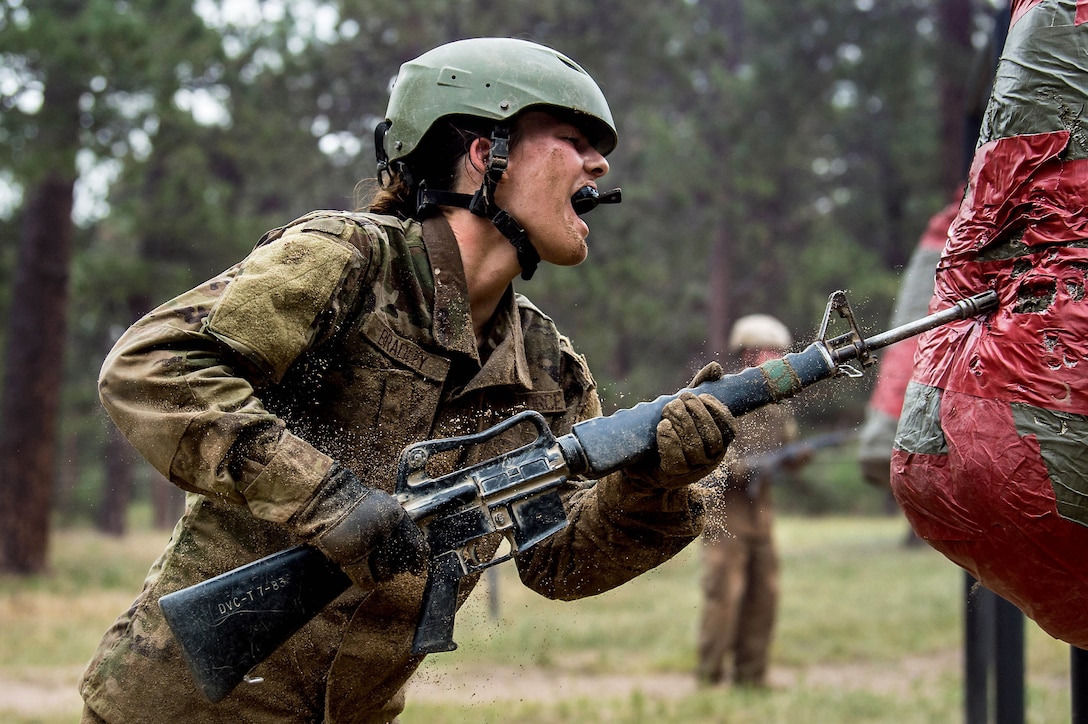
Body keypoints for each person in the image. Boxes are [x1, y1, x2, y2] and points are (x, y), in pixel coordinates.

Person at [79, 37, 737, 723]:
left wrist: (652, 487)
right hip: (185, 710)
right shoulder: (347, 262)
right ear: (488, 156)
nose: (599, 164)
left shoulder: (549, 368)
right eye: (572, 139)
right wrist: (328, 500)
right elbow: (152, 367)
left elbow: (559, 561)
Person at [696, 314, 802, 689]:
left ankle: (752, 677)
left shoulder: (776, 405)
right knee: (724, 595)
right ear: (749, 353)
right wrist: (736, 468)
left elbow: (784, 449)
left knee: (764, 596)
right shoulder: (725, 398)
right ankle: (709, 679)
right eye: (769, 351)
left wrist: (794, 458)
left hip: (761, 517)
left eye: (779, 351)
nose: (776, 358)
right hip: (726, 517)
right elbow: (704, 458)